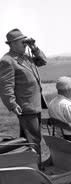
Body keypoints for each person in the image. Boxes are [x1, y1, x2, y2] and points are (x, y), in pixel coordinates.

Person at [0, 28, 47, 168]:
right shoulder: (7, 61)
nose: (25, 44)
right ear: (12, 43)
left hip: (34, 104)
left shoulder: (25, 57)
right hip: (26, 106)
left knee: (28, 140)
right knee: (34, 140)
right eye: (22, 42)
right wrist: (12, 104)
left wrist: (34, 47)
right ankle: (36, 169)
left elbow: (43, 61)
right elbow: (5, 86)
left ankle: (27, 166)